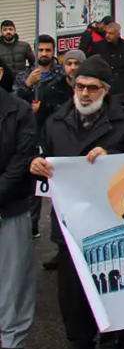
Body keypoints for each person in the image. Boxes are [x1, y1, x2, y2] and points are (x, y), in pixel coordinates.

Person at [31, 55, 124, 349]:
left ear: (105, 90)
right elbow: (42, 155)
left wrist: (112, 157)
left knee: (112, 293)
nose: (85, 93)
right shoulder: (55, 121)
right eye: (80, 86)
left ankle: (113, 337)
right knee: (73, 298)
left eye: (92, 87)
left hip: (111, 223)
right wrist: (37, 164)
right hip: (68, 228)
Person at [0, 63, 36, 349]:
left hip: (10, 208)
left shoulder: (19, 110)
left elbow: (22, 158)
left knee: (13, 285)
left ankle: (12, 341)